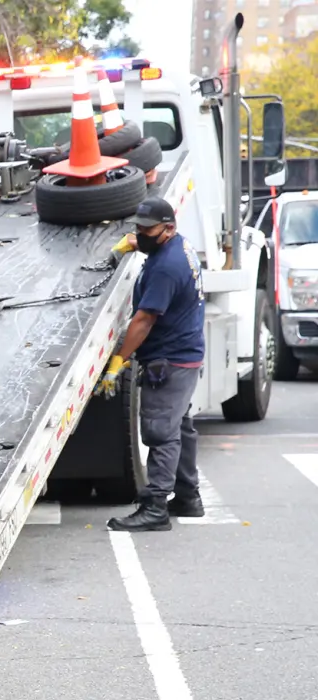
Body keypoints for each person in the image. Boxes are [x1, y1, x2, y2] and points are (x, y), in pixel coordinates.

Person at [98, 197, 207, 531]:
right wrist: (131, 245)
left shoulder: (166, 268)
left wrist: (119, 361)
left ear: (168, 228)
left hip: (169, 360)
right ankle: (188, 497)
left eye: (147, 230)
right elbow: (148, 244)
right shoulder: (178, 246)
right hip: (185, 354)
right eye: (138, 229)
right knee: (179, 427)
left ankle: (155, 507)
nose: (140, 235)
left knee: (160, 431)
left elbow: (143, 320)